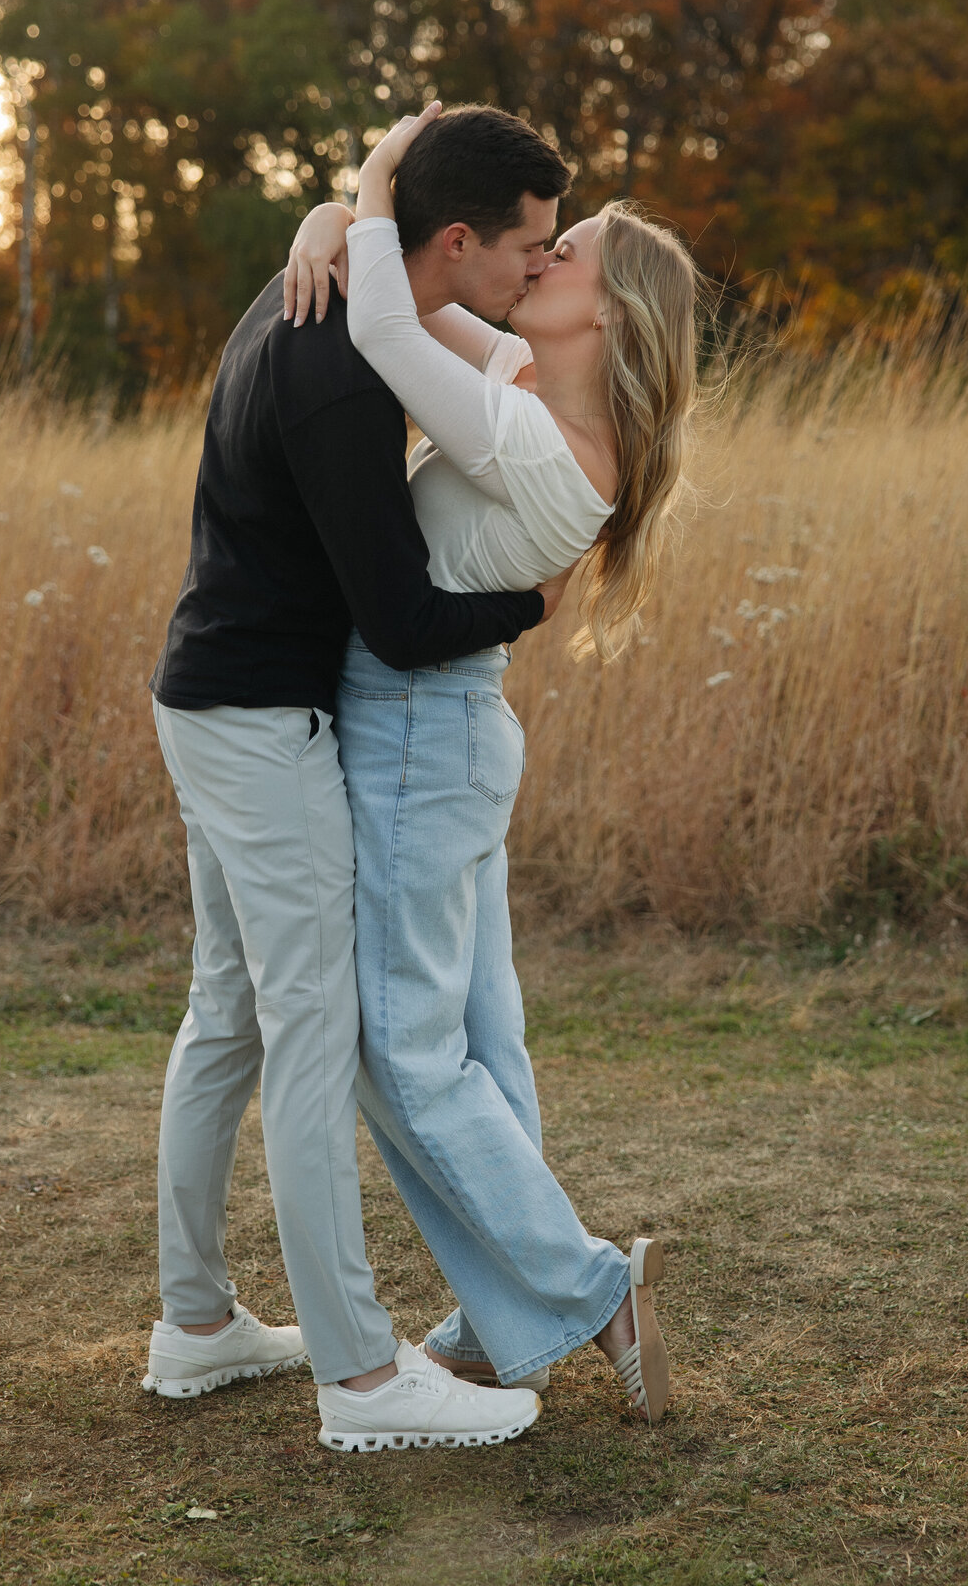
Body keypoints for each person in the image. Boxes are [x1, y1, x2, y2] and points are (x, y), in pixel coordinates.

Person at [143, 106, 575, 1453]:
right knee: (313, 1030)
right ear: (457, 240)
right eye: (530, 249)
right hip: (264, 722)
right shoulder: (340, 357)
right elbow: (394, 620)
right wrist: (531, 607)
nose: (539, 274)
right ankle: (363, 1381)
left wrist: (344, 201)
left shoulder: (310, 285)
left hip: (208, 696)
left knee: (230, 1016)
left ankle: (198, 1326)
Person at [283, 100, 700, 1422]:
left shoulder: (534, 438)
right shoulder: (530, 395)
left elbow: (387, 325)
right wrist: (331, 220)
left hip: (416, 733)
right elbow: (397, 288)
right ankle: (496, 1312)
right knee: (474, 1036)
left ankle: (587, 1290)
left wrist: (367, 177)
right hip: (447, 731)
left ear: (609, 318)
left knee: (403, 1056)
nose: (536, 262)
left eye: (563, 256)